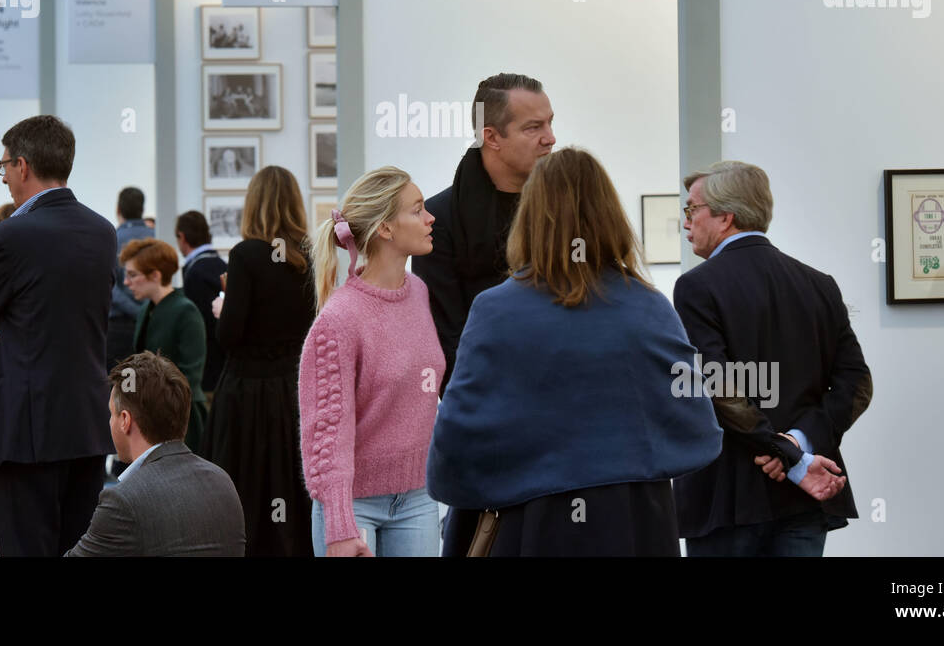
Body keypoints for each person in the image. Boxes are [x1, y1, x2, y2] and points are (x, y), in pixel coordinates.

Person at [427, 149, 723, 556]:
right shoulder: (648, 306)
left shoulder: (496, 310)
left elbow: (458, 435)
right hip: (634, 522)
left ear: (529, 216)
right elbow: (697, 424)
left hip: (530, 522)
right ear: (609, 216)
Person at [672, 161, 873, 556]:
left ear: (725, 217)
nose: (686, 223)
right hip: (804, 498)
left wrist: (787, 452)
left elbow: (716, 384)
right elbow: (856, 386)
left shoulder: (696, 286)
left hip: (727, 499)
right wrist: (798, 445)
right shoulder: (819, 284)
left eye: (692, 210)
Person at [0, 114, 117, 557]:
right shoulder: (103, 233)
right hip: (83, 425)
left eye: (3, 166)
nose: (3, 177)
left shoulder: (7, 237)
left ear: (22, 166)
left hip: (23, 431)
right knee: (78, 548)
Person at [301, 166, 444, 557]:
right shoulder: (339, 319)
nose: (430, 218)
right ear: (385, 229)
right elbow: (327, 431)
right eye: (417, 210)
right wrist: (341, 525)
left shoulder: (418, 292)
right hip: (354, 504)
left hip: (418, 498)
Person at [412, 73, 555, 391]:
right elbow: (444, 338)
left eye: (550, 123)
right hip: (486, 403)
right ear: (491, 137)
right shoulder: (440, 221)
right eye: (533, 127)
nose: (550, 138)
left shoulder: (566, 210)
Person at [204, 166, 314, 557]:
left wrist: (223, 309)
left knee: (245, 488)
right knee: (290, 490)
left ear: (254, 204)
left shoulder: (246, 255)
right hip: (293, 391)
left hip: (247, 394)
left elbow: (230, 335)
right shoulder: (310, 255)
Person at [65, 353, 245, 557]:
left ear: (125, 420)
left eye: (111, 414)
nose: (109, 422)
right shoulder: (222, 481)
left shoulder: (123, 502)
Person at [120, 238, 207, 452]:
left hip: (182, 422)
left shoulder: (185, 311)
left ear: (156, 275)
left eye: (133, 275)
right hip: (152, 418)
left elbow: (190, 375)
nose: (126, 282)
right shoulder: (146, 310)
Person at [174, 210, 227, 406]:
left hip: (207, 371)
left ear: (182, 237)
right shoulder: (222, 264)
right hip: (224, 365)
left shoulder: (195, 272)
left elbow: (197, 327)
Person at [108, 186, 149, 372]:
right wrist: (142, 312)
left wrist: (134, 310)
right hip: (151, 321)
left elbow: (111, 286)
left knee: (122, 387)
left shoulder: (111, 239)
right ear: (142, 210)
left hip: (120, 327)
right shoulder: (157, 238)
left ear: (118, 210)